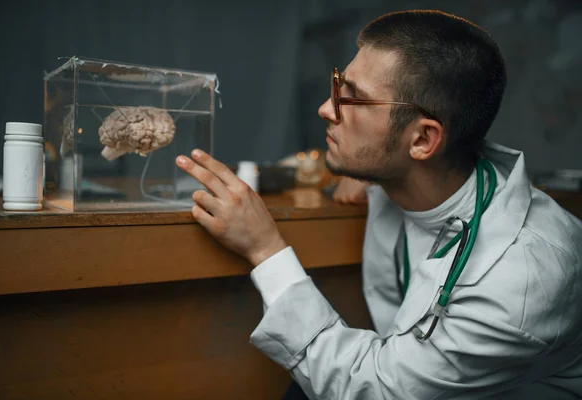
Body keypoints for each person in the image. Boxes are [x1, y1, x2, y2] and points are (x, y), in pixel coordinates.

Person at [175, 9, 582, 399]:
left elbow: (374, 389)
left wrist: (264, 248)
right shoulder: (418, 173)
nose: (324, 109)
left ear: (423, 140)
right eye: (339, 84)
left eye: (351, 99)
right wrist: (365, 168)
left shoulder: (524, 277)